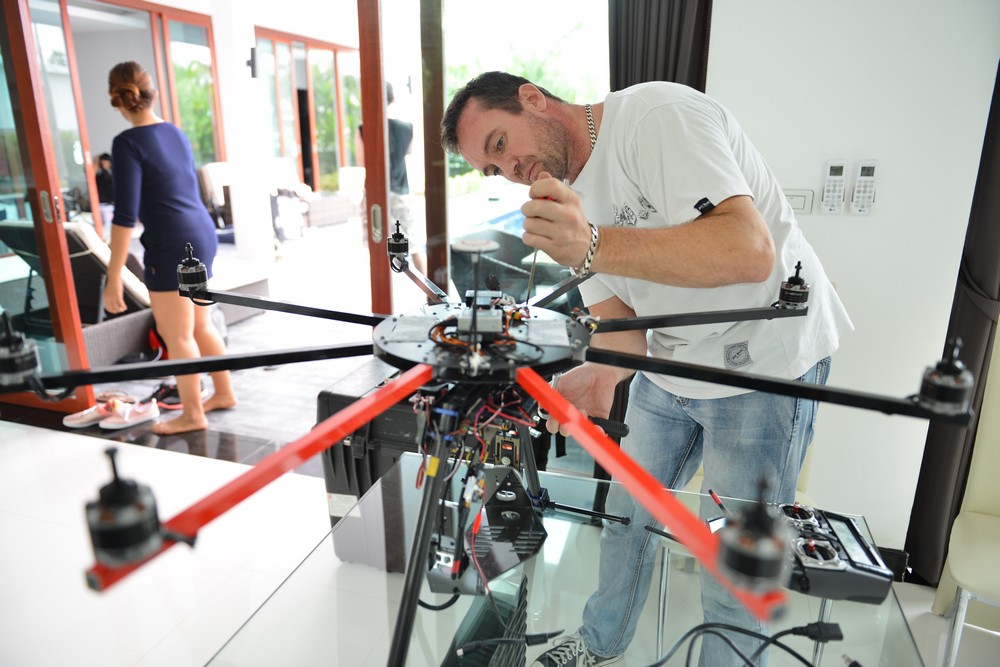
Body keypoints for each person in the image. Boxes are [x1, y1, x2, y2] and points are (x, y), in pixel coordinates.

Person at [441, 72, 853, 666]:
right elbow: (623, 323)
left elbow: (749, 250)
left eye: (501, 144)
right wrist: (601, 373)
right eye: (492, 168)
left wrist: (591, 244)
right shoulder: (568, 202)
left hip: (762, 363)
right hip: (671, 363)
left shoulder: (655, 118)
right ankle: (600, 643)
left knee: (735, 560)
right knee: (625, 516)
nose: (510, 170)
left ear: (532, 98)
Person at [103, 61, 237, 435]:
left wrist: (113, 277)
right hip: (201, 231)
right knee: (200, 325)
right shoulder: (175, 133)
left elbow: (125, 217)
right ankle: (223, 393)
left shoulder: (127, 143)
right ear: (153, 93)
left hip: (171, 241)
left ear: (117, 100)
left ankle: (192, 415)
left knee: (176, 334)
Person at [359, 82, 427, 274]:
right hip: (400, 191)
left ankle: (381, 290)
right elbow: (409, 151)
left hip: (375, 193)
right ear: (393, 99)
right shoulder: (407, 128)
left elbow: (362, 161)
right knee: (413, 246)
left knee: (377, 247)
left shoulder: (364, 129)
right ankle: (428, 290)